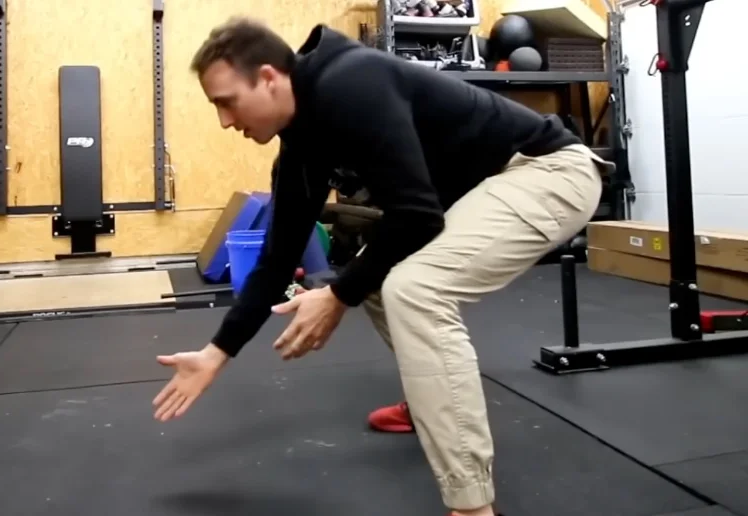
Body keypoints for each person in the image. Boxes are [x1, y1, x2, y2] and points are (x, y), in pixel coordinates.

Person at [152, 16, 609, 516]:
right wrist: (216, 353)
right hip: (483, 189)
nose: (224, 121)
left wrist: (336, 295)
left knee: (413, 289)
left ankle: (472, 505)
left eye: (226, 102)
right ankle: (434, 403)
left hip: (547, 170)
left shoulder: (352, 83)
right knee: (376, 281)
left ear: (268, 78)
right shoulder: (300, 143)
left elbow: (417, 216)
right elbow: (277, 258)